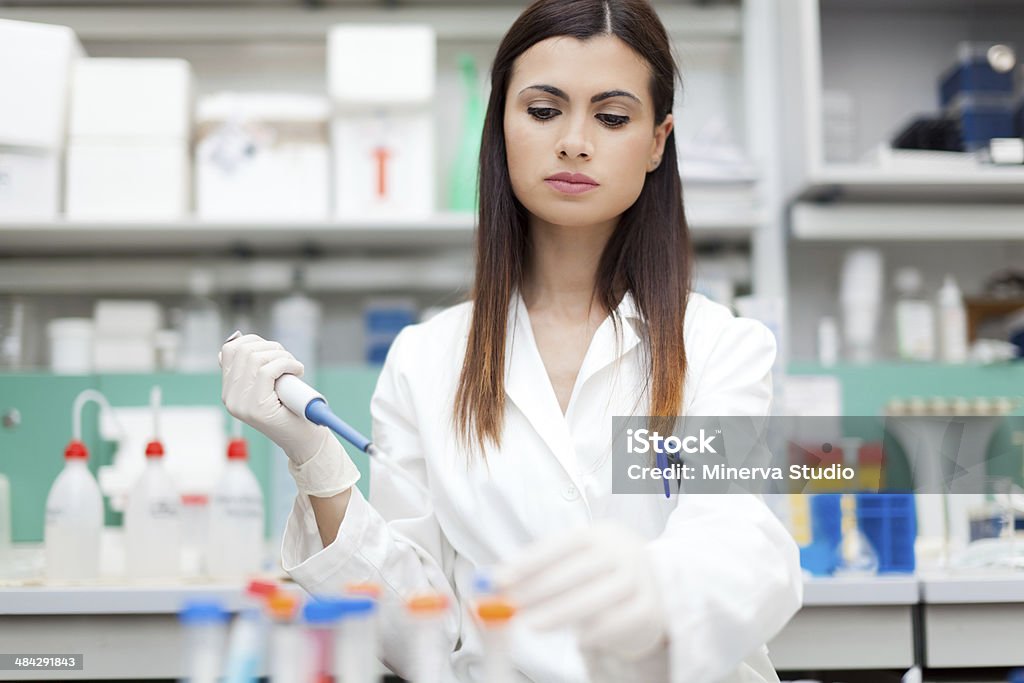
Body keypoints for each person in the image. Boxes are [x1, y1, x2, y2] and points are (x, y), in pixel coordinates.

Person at [220, 0, 802, 680]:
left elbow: (741, 542)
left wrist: (658, 585)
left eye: (612, 117)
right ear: (500, 125)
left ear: (657, 140)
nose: (575, 141)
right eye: (544, 110)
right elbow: (417, 628)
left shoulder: (718, 347)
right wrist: (315, 458)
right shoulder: (426, 359)